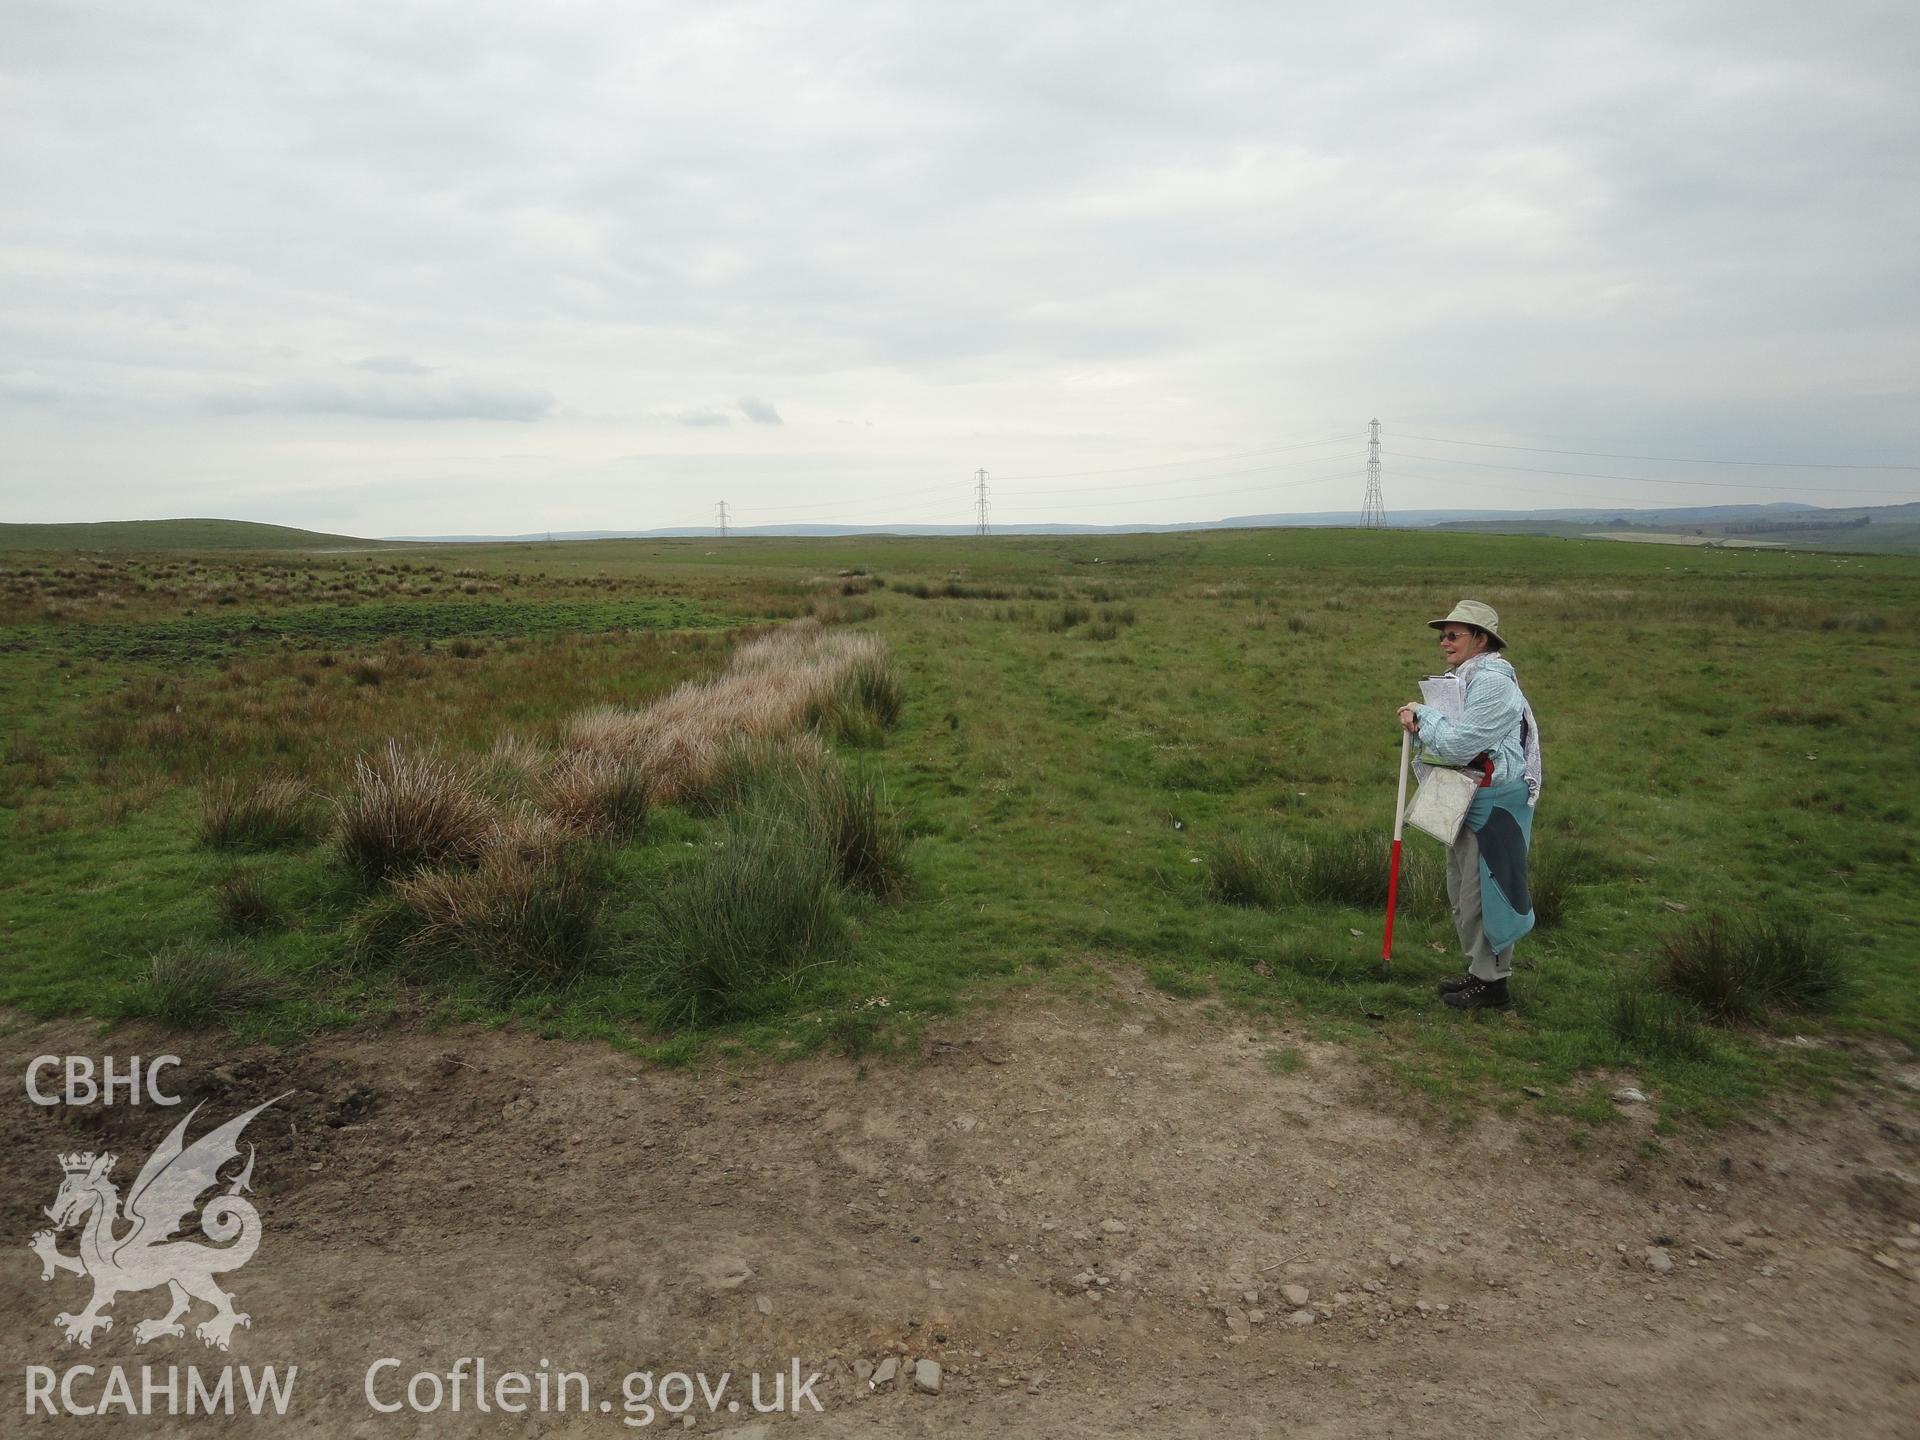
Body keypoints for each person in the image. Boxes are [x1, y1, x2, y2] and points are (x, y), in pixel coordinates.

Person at [1395, 600, 1540, 1011]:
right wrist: (1422, 721)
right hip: (1464, 790)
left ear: (1482, 639)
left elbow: (1459, 742)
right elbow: (1450, 738)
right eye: (1443, 635)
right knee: (1462, 887)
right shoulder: (1461, 678)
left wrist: (1422, 714)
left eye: (1454, 635)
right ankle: (1479, 972)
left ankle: (1494, 985)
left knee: (1487, 890)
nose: (1444, 643)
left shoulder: (1493, 684)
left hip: (1493, 799)